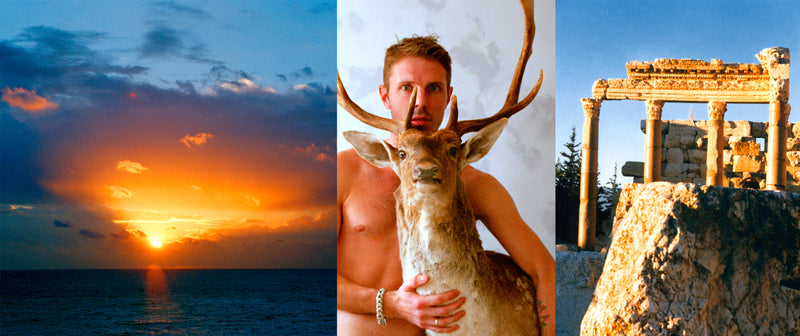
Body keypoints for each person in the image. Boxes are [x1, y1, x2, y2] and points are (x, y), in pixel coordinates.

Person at [337, 35, 555, 336]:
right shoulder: (342, 172)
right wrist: (389, 303)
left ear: (448, 94)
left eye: (433, 89)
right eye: (406, 88)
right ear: (385, 96)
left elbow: (543, 270)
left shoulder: (474, 184)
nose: (421, 103)